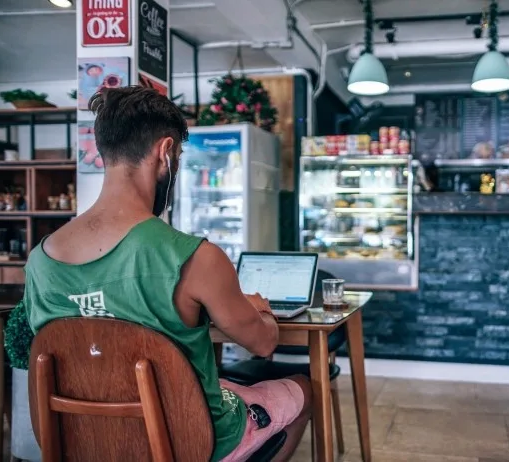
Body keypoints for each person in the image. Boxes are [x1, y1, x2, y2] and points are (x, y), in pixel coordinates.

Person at [22, 86, 311, 462]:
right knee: (303, 388)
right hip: (189, 442)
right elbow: (262, 345)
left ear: (103, 151)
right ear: (165, 152)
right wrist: (261, 310)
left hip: (81, 439)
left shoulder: (40, 261)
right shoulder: (195, 257)